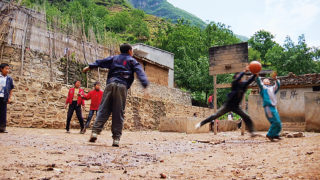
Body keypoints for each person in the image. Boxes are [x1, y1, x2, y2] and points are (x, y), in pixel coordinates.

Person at [83, 43, 149, 147]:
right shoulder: (132, 60)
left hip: (110, 84)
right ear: (129, 51)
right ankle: (116, 139)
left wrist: (90, 66)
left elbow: (101, 62)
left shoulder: (114, 58)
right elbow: (139, 71)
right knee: (118, 112)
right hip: (122, 86)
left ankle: (95, 132)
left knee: (103, 109)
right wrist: (144, 83)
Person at [196, 66, 257, 136]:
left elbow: (249, 81)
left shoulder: (243, 85)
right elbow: (238, 79)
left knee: (247, 117)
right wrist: (243, 72)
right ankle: (201, 124)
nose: (238, 77)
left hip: (236, 107)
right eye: (237, 76)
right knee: (215, 116)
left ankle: (252, 132)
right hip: (228, 105)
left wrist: (255, 74)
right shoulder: (234, 83)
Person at [256, 72, 282, 141]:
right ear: (263, 82)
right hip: (268, 107)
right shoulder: (262, 88)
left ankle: (275, 134)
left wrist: (276, 79)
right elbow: (259, 82)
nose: (266, 80)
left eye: (268, 80)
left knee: (278, 122)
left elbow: (277, 86)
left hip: (273, 107)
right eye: (265, 80)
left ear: (270, 82)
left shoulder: (272, 88)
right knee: (275, 122)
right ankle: (270, 135)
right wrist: (257, 76)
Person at [0, 63, 14, 133]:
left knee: (3, 113)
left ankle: (2, 128)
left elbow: (11, 89)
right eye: (6, 68)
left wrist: (9, 97)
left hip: (4, 97)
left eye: (8, 69)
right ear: (1, 69)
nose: (7, 70)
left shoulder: (9, 79)